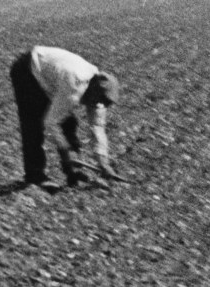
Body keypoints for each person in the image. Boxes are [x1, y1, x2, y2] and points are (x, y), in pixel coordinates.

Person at [9, 46, 124, 189]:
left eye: (103, 102)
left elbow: (98, 127)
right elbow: (50, 123)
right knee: (33, 124)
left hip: (50, 76)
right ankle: (35, 175)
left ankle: (73, 172)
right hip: (28, 69)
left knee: (70, 123)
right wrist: (65, 150)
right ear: (94, 89)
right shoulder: (75, 85)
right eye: (99, 99)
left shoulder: (96, 95)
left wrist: (103, 161)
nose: (98, 104)